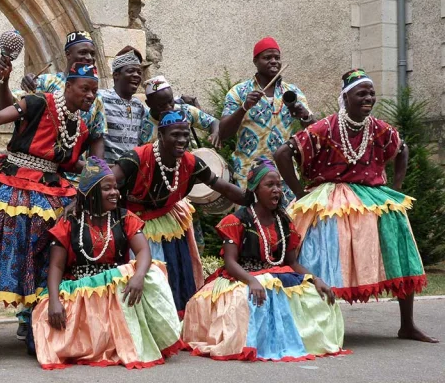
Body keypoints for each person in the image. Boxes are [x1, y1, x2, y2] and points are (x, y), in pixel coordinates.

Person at [0, 63, 98, 367]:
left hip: (49, 193)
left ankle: (39, 330)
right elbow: (0, 117)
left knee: (46, 261)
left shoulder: (81, 127)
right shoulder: (39, 102)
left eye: (94, 90)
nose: (90, 95)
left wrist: (103, 177)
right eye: (85, 89)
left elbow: (72, 164)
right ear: (68, 86)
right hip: (9, 188)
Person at [274, 69, 438, 343]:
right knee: (322, 253)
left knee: (399, 242)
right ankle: (316, 323)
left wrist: (395, 190)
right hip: (330, 199)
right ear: (345, 97)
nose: (369, 98)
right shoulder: (325, 126)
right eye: (362, 93)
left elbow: (402, 149)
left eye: (372, 93)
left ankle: (407, 324)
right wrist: (301, 192)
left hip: (372, 197)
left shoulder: (378, 128)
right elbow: (282, 153)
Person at [182, 157, 347, 362]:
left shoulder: (284, 221)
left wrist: (316, 279)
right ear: (255, 190)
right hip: (242, 276)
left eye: (279, 185)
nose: (277, 189)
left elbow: (292, 263)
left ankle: (299, 341)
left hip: (278, 275)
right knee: (248, 299)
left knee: (315, 296)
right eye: (270, 185)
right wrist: (252, 281)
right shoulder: (237, 220)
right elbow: (230, 263)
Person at [32, 157, 182, 369]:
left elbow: (143, 251)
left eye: (116, 187)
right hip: (81, 292)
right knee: (48, 336)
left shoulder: (125, 218)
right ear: (91, 192)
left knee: (151, 272)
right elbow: (56, 266)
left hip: (117, 291)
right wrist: (55, 301)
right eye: (107, 188)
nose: (115, 193)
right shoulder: (70, 222)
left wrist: (138, 277)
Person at [112, 110, 245, 315]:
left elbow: (222, 187)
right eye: (175, 134)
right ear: (161, 135)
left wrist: (251, 199)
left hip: (167, 223)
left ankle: (175, 319)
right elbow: (106, 181)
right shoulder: (136, 158)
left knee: (175, 274)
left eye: (185, 134)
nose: (182, 140)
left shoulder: (192, 163)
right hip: (132, 223)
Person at [219, 37, 314, 203]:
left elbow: (314, 131)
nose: (274, 61)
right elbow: (223, 132)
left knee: (287, 225)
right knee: (252, 226)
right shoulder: (239, 92)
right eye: (267, 57)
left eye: (277, 57)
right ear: (255, 61)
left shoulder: (293, 92)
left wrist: (305, 116)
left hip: (285, 177)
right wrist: (244, 108)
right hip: (249, 176)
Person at [0, 30, 106, 160]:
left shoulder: (96, 97)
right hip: (35, 170)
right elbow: (7, 107)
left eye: (92, 53)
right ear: (68, 54)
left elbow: (96, 138)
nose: (88, 57)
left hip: (73, 173)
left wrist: (96, 174)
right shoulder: (46, 83)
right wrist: (4, 79)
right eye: (82, 52)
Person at [139, 76, 221, 148]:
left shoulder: (185, 111)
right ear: (149, 104)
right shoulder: (142, 124)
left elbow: (213, 122)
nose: (168, 108)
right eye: (161, 105)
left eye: (170, 101)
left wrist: (216, 133)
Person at [100, 46, 147, 164]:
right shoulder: (101, 99)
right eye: (131, 71)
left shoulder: (138, 106)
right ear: (116, 75)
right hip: (106, 172)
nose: (137, 75)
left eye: (139, 72)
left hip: (131, 173)